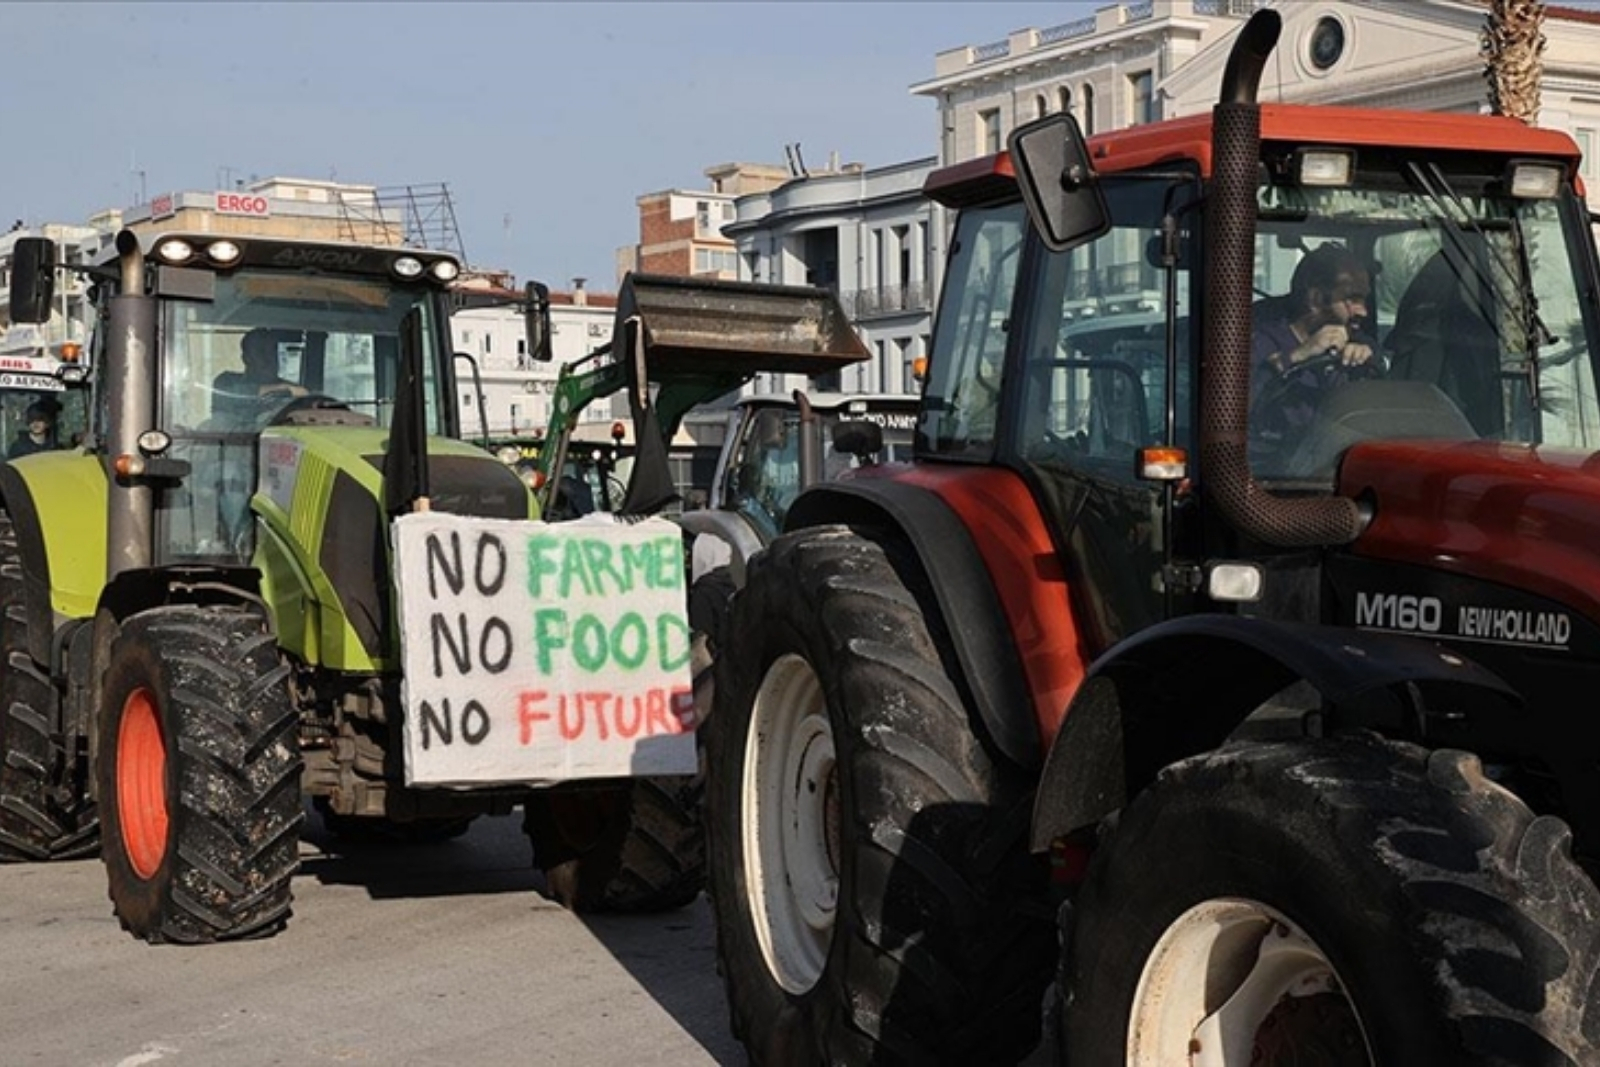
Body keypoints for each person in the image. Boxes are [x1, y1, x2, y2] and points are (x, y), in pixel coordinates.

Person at [1250, 244, 1377, 451]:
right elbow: (1230, 413)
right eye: (1352, 299)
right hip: (1274, 466)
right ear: (1316, 298)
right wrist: (1294, 357)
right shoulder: (1257, 341)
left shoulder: (1358, 341)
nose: (1363, 311)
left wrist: (1369, 360)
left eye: (1364, 299)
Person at [212, 328, 309, 427]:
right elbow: (233, 394)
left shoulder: (294, 390)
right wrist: (284, 389)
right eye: (261, 352)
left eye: (273, 351)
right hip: (233, 439)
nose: (269, 358)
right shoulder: (227, 381)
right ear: (246, 359)